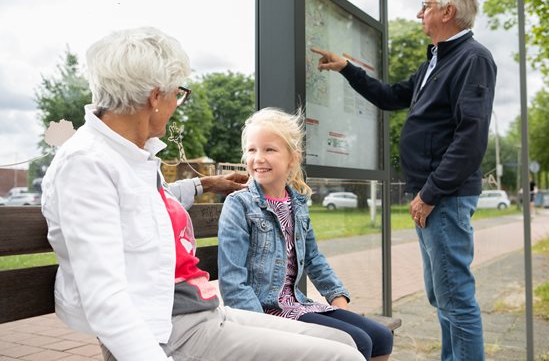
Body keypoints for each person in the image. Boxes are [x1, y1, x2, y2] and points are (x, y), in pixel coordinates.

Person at [41, 27, 365, 361]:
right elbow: (104, 299)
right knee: (346, 359)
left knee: (347, 344)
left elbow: (148, 208)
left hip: (203, 311)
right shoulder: (87, 164)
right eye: (177, 94)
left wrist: (209, 184)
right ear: (155, 96)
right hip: (170, 331)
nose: (176, 105)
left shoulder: (131, 155)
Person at [312, 0, 496, 361]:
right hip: (431, 195)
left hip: (442, 196)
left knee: (456, 298)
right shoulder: (437, 57)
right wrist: (348, 68)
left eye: (426, 6)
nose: (419, 13)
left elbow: (471, 137)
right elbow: (392, 95)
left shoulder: (472, 58)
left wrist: (429, 194)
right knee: (441, 293)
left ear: (448, 12)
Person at [218, 107, 393, 361]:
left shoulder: (296, 204)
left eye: (269, 149)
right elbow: (233, 281)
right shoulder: (240, 205)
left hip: (296, 305)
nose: (258, 158)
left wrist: (336, 294)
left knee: (381, 336)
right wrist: (261, 329)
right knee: (356, 343)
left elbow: (313, 257)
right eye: (252, 149)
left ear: (292, 158)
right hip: (265, 312)